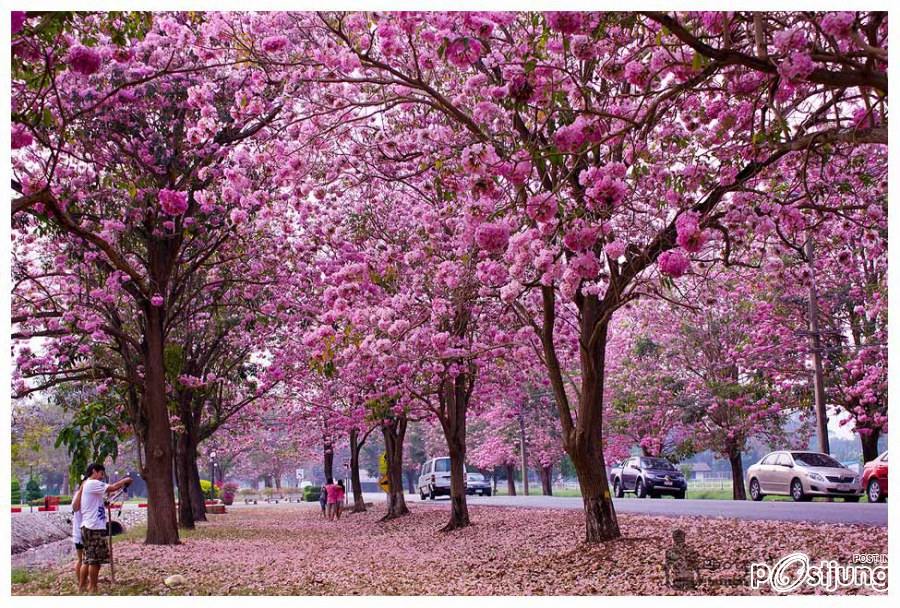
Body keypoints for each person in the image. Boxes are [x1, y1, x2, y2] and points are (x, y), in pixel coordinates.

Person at [78, 463, 132, 594]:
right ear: (94, 471)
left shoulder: (88, 485)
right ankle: (93, 587)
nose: (102, 477)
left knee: (87, 559)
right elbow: (113, 487)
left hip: (89, 526)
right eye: (101, 474)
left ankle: (82, 587)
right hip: (93, 527)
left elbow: (98, 502)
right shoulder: (92, 483)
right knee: (95, 561)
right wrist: (125, 480)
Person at [71, 480, 84, 586]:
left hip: (78, 532)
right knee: (84, 560)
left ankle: (82, 582)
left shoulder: (77, 495)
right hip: (83, 532)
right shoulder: (81, 496)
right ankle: (82, 583)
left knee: (81, 559)